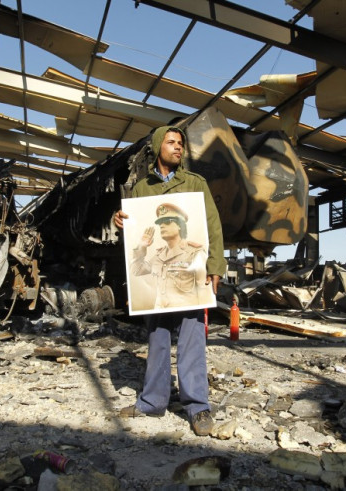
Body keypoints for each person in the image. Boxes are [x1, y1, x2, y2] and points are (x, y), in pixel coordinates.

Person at [114, 125, 226, 436]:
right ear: (156, 146)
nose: (178, 148)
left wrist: (216, 264)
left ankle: (197, 407)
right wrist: (120, 219)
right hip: (159, 277)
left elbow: (212, 226)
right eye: (172, 142)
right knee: (157, 338)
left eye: (181, 144)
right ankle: (153, 402)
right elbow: (136, 236)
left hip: (191, 274)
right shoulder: (141, 189)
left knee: (192, 339)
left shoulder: (194, 183)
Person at [129, 202, 211, 310]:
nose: (162, 225)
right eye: (160, 223)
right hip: (160, 314)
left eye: (167, 222)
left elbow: (204, 290)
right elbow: (136, 270)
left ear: (180, 225)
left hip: (186, 316)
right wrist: (141, 247)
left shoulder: (195, 253)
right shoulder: (159, 256)